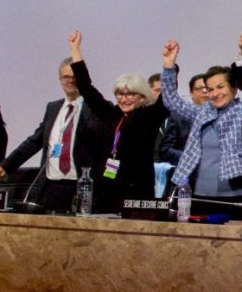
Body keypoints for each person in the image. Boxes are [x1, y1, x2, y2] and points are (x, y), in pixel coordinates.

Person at [160, 32, 242, 220]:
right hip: (200, 196)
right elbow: (172, 102)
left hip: (237, 197)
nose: (215, 93)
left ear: (234, 88)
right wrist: (169, 66)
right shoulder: (203, 112)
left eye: (220, 87)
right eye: (210, 89)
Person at [69, 30, 169, 212]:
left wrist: (169, 65)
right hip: (105, 188)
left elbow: (167, 99)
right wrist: (76, 50)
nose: (124, 99)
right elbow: (86, 88)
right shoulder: (112, 114)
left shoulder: (149, 117)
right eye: (120, 94)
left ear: (142, 96)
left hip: (135, 192)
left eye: (130, 93)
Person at [0, 58, 108, 211]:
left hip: (82, 187)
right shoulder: (53, 108)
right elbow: (35, 141)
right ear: (60, 79)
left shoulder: (98, 109)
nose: (70, 81)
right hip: (51, 186)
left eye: (74, 77)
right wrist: (8, 164)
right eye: (65, 77)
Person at [158, 72, 209, 165]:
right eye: (200, 88)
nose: (205, 91)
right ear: (191, 93)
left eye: (208, 88)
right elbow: (166, 150)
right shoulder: (178, 116)